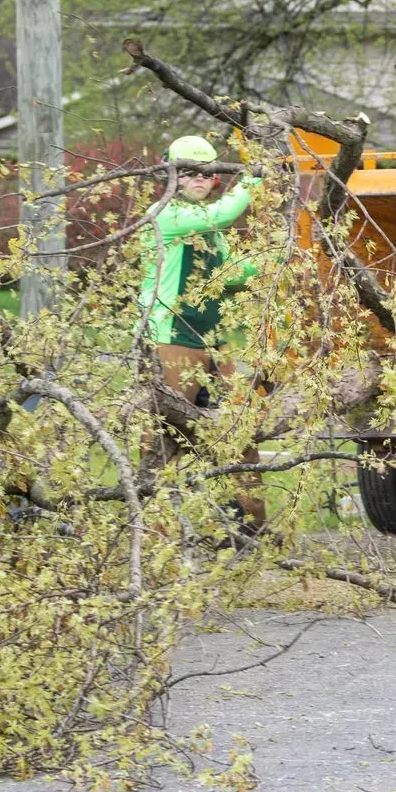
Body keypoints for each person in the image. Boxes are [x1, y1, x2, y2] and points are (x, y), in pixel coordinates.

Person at [139, 133, 265, 527]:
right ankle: (155, 537)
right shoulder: (166, 216)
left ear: (214, 180)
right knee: (167, 440)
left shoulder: (209, 228)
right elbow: (224, 214)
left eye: (205, 174)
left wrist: (272, 263)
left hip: (215, 342)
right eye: (188, 172)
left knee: (241, 433)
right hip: (171, 339)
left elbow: (230, 274)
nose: (197, 180)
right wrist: (255, 179)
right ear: (171, 176)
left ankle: (252, 528)